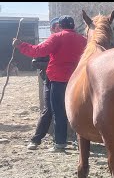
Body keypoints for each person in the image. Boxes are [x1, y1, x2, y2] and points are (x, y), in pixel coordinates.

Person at [13, 15, 87, 152]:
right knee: (77, 110)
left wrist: (20, 45)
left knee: (58, 111)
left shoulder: (56, 37)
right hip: (76, 79)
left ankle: (60, 143)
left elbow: (38, 51)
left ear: (60, 25)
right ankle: (79, 141)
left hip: (57, 79)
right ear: (73, 26)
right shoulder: (83, 40)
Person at [27, 17, 61, 150]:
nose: (59, 29)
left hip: (66, 81)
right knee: (48, 110)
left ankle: (67, 140)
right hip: (49, 80)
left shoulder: (66, 43)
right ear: (52, 28)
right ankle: (36, 139)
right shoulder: (46, 43)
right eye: (56, 26)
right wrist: (51, 65)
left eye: (60, 26)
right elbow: (35, 62)